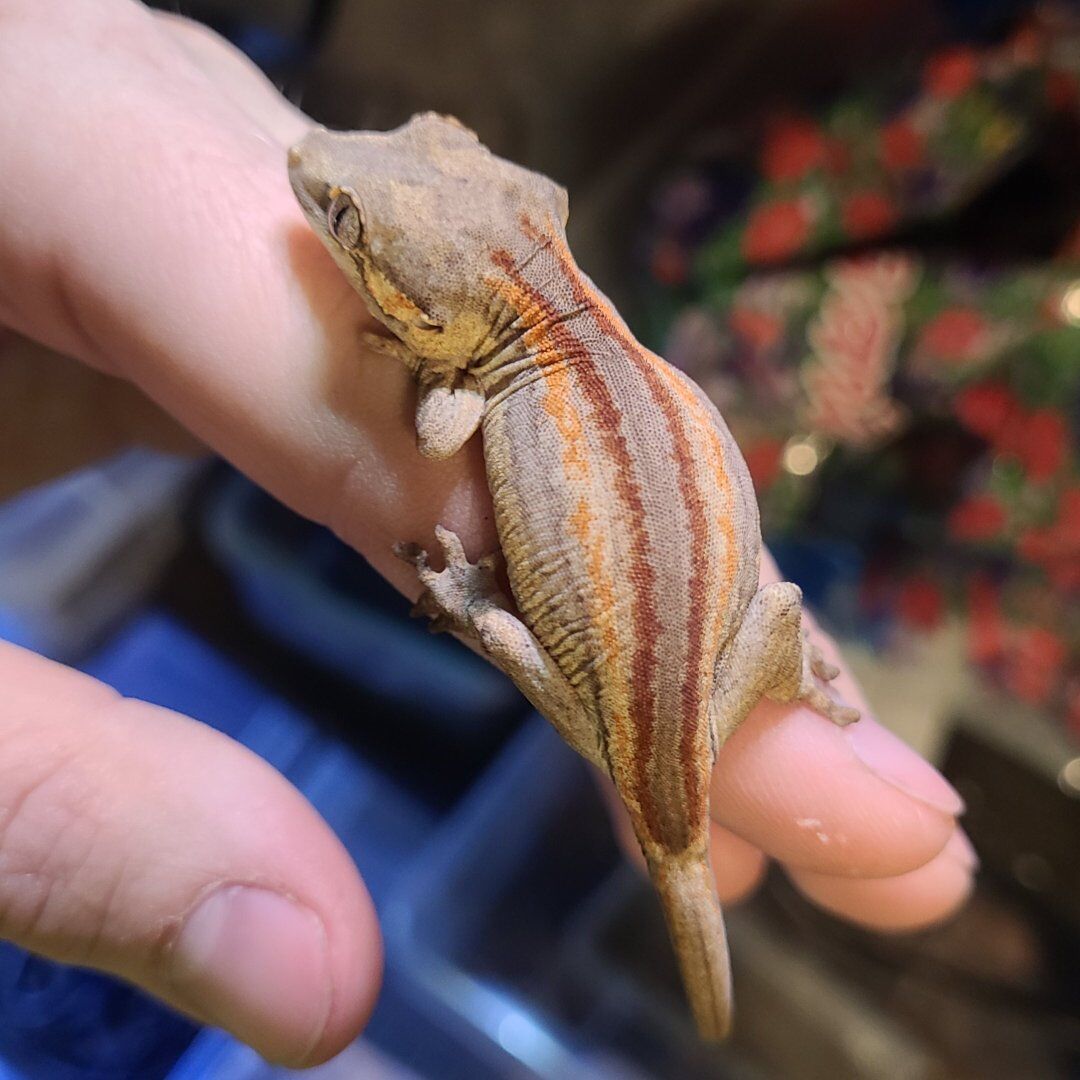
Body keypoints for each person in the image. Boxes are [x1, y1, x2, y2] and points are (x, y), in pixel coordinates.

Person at [0, 0, 976, 1068]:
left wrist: (472, 591)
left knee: (536, 651)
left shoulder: (485, 384)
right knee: (766, 617)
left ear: (442, 321)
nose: (321, 176)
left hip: (621, 685)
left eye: (349, 226)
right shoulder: (582, 334)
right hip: (727, 651)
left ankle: (489, 620)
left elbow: (432, 424)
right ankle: (778, 687)